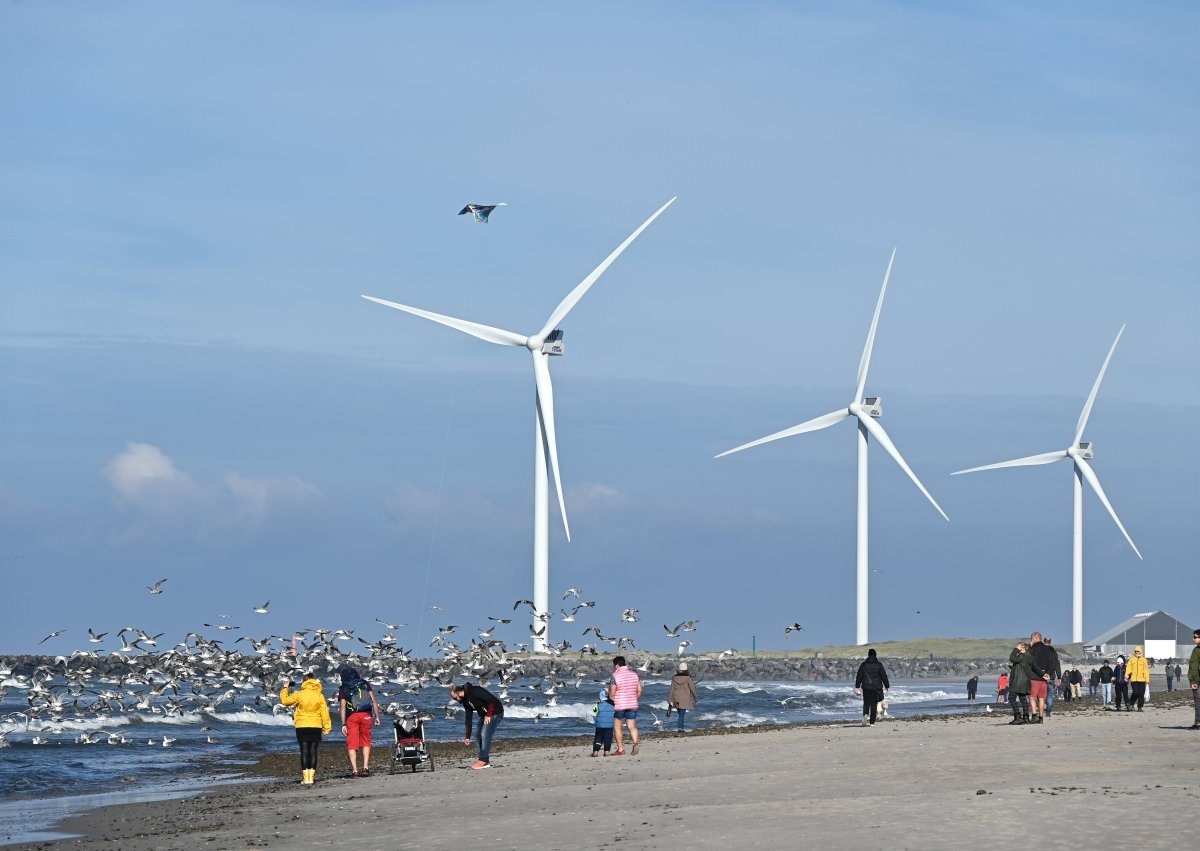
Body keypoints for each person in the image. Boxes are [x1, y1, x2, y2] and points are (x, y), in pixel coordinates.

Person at [280, 673, 332, 786]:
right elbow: (325, 713)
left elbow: (285, 701)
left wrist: (285, 688)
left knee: (304, 751)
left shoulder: (300, 694)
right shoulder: (320, 695)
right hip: (316, 725)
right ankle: (311, 778)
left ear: (304, 682)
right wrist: (327, 727)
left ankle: (306, 779)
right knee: (313, 751)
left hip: (302, 725)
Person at [337, 667, 381, 776]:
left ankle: (355, 770)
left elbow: (342, 707)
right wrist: (377, 717)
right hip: (366, 715)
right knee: (366, 741)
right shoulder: (365, 683)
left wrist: (343, 724)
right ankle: (365, 768)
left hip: (352, 717)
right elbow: (374, 701)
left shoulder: (344, 687)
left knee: (352, 743)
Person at [450, 682, 504, 769]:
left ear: (459, 692)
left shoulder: (475, 691)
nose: (456, 700)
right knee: (477, 735)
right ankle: (482, 760)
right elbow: (468, 718)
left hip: (495, 712)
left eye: (455, 698)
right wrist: (467, 736)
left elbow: (491, 700)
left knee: (485, 734)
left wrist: (489, 715)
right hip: (485, 715)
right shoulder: (465, 702)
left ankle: (483, 761)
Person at [609, 655, 643, 755]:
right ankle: (635, 743)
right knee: (632, 726)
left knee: (617, 726)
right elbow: (639, 690)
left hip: (620, 705)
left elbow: (612, 693)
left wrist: (612, 701)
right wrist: (634, 699)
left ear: (617, 665)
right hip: (632, 704)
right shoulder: (634, 674)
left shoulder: (615, 675)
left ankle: (620, 749)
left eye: (614, 665)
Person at [853, 648, 890, 727]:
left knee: (866, 703)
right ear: (875, 655)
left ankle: (865, 715)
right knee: (874, 705)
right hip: (876, 688)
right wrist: (887, 686)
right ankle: (872, 723)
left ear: (868, 655)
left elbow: (859, 676)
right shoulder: (879, 664)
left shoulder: (863, 665)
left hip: (866, 687)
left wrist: (857, 686)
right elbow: (884, 676)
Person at [1028, 632, 1056, 722]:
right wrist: (1047, 673)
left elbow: (1032, 663)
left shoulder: (1033, 649)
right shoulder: (1048, 649)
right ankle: (1041, 717)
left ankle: (1034, 715)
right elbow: (1052, 663)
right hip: (1044, 678)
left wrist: (1041, 673)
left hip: (1035, 676)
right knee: (1041, 698)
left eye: (1031, 638)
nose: (1031, 640)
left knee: (1032, 697)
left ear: (1036, 638)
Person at [1007, 641, 1035, 724]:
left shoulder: (1022, 656)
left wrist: (1016, 649)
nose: (1018, 647)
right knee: (1023, 699)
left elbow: (1012, 658)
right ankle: (1026, 718)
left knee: (1011, 698)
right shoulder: (1030, 657)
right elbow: (1022, 667)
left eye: (1019, 646)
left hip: (1017, 682)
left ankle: (1018, 717)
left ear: (1022, 648)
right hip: (1025, 681)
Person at [667, 661, 699, 732]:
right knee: (681, 715)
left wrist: (669, 700)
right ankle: (680, 729)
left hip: (676, 699)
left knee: (680, 715)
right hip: (685, 699)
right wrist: (696, 699)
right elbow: (693, 689)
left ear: (679, 669)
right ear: (686, 669)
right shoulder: (688, 678)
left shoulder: (674, 678)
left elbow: (671, 690)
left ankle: (680, 728)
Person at [592, 688, 615, 756]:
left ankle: (595, 752)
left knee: (598, 738)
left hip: (599, 725)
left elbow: (595, 711)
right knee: (608, 738)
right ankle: (606, 752)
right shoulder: (613, 704)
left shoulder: (599, 704)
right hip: (609, 725)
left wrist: (596, 704)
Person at [1126, 646, 1150, 711]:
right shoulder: (1132, 659)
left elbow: (1146, 670)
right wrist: (1126, 675)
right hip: (1134, 680)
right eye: (1135, 651)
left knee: (1141, 694)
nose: (1136, 652)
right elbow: (1128, 668)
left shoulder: (1144, 660)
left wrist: (1147, 680)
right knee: (1135, 692)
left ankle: (1140, 707)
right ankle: (1131, 704)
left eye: (1137, 651)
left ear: (1140, 651)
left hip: (1142, 680)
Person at [1188, 629, 1200, 730]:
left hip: (1197, 680)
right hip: (1197, 680)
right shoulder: (1196, 649)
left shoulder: (1197, 651)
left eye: (1195, 637)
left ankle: (1198, 722)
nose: (1193, 639)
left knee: (1198, 701)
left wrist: (1194, 681)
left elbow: (1194, 667)